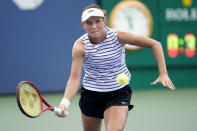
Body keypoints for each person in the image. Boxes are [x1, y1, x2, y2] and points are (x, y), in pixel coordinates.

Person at [56, 4, 176, 131]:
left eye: (98, 21)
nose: (94, 26)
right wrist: (65, 104)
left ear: (105, 21)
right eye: (89, 22)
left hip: (118, 94)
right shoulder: (80, 46)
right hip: (91, 95)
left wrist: (163, 73)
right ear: (83, 25)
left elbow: (155, 44)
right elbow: (75, 78)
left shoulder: (119, 37)